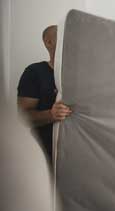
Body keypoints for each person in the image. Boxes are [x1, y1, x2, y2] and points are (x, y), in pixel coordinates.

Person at [17, 25, 72, 164]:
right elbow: (23, 116)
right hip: (43, 156)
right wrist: (51, 115)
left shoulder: (80, 75)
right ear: (48, 42)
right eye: (63, 37)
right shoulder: (34, 72)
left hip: (75, 158)